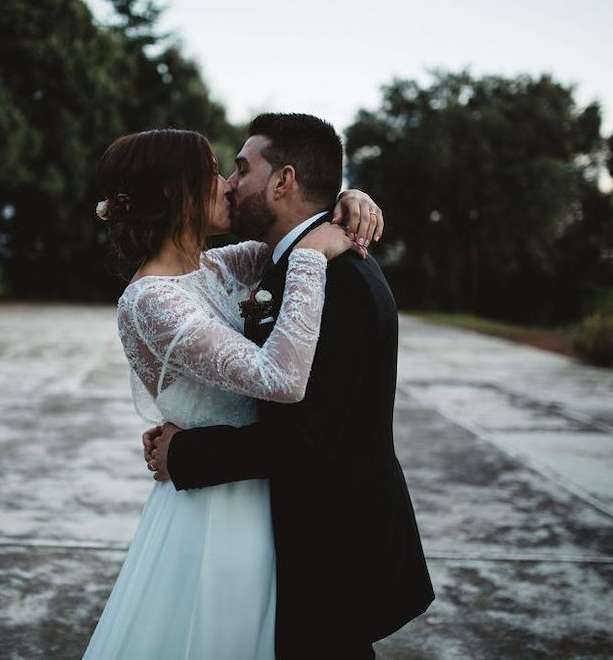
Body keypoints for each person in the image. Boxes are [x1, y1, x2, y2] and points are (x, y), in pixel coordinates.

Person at [81, 127, 378, 659]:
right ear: (176, 194)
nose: (227, 185)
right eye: (215, 173)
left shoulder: (217, 265)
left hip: (262, 492)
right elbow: (281, 379)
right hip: (214, 509)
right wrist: (312, 257)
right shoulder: (151, 300)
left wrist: (348, 201)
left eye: (235, 170)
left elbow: (288, 234)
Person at [145, 113, 435, 658]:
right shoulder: (288, 265)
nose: (230, 184)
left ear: (284, 182)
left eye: (241, 168)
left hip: (333, 548)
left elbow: (307, 439)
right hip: (299, 539)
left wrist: (184, 453)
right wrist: (349, 200)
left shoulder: (339, 280)